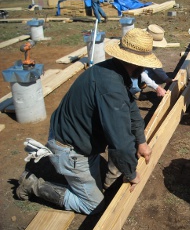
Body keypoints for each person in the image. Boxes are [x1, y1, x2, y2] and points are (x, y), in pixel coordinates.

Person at [15, 28, 162, 215]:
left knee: (96, 187)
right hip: (69, 149)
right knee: (95, 206)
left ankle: (85, 175)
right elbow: (121, 142)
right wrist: (131, 174)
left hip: (77, 137)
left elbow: (132, 110)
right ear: (137, 63)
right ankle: (33, 185)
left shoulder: (112, 69)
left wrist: (141, 141)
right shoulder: (111, 88)